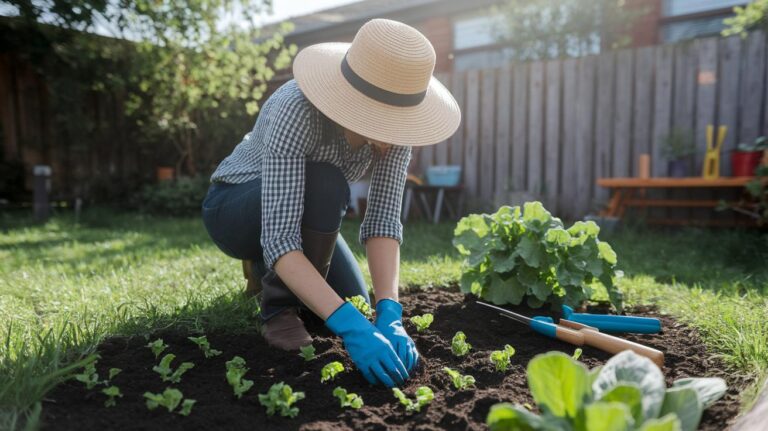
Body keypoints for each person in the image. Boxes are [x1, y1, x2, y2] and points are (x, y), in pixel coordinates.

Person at [201, 18, 460, 387]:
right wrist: (351, 329)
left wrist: (390, 311)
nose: (399, 130)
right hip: (235, 207)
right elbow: (280, 237)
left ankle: (264, 272)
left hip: (297, 211)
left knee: (355, 302)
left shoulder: (397, 133)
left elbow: (384, 222)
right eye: (390, 119)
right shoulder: (296, 109)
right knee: (325, 182)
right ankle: (277, 308)